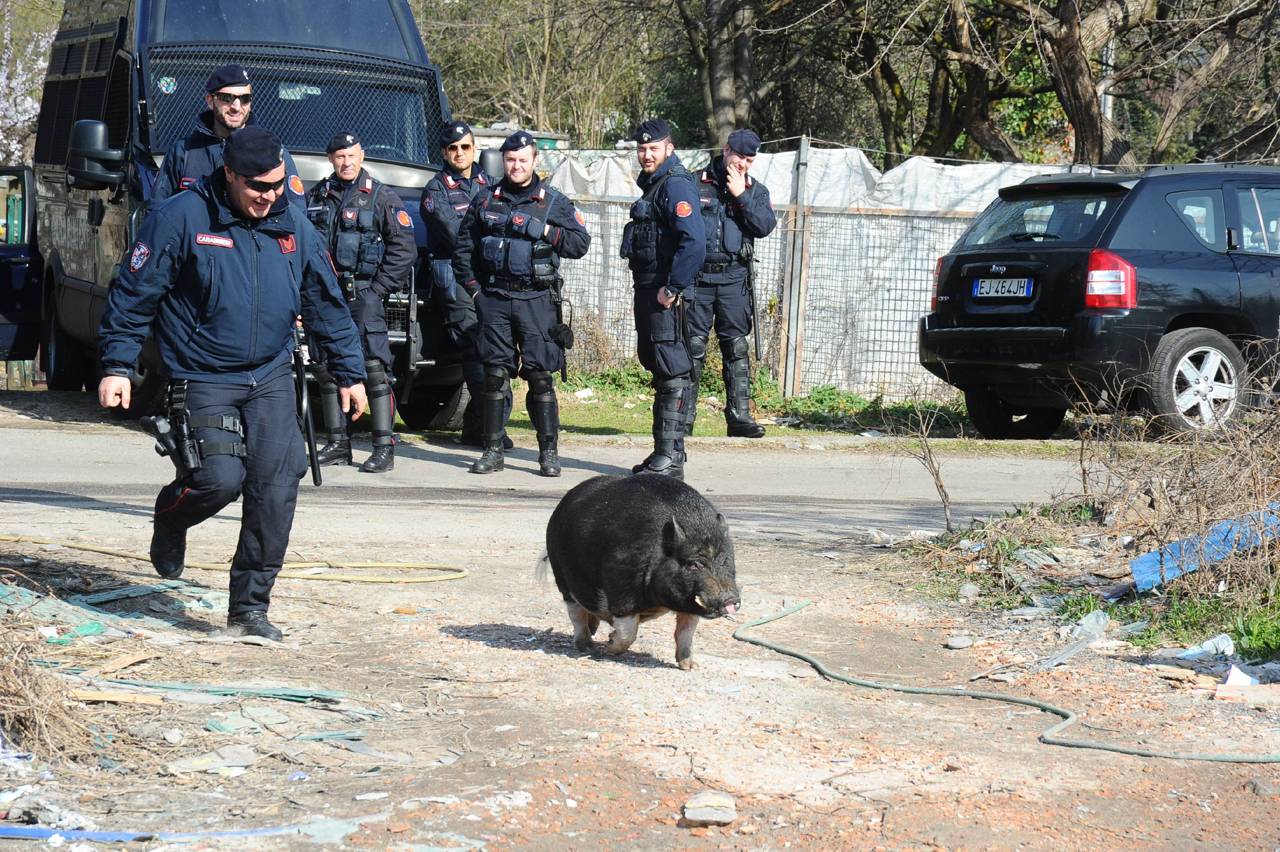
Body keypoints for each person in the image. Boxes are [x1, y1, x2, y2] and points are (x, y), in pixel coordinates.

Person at [97, 126, 367, 641]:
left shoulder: (292, 225)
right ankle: (172, 517)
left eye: (277, 184)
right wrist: (117, 364)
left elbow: (326, 302)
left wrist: (350, 374)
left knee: (275, 485)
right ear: (229, 174)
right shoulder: (181, 216)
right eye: (257, 187)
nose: (268, 196)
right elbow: (134, 293)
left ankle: (249, 609)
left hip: (269, 373)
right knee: (218, 479)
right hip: (201, 372)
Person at [452, 130, 590, 477]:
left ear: (534, 162)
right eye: (510, 160)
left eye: (522, 160)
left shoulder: (552, 201)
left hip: (537, 300)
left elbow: (579, 244)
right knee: (495, 376)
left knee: (540, 377)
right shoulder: (485, 200)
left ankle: (548, 453)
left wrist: (543, 231)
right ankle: (493, 449)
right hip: (495, 299)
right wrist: (474, 293)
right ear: (504, 161)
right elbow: (463, 251)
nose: (516, 166)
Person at [305, 131, 417, 473]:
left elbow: (404, 248)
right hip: (326, 296)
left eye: (352, 155)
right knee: (326, 367)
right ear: (330, 159)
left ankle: (385, 447)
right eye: (340, 156)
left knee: (374, 369)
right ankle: (339, 443)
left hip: (364, 295)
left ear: (362, 155)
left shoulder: (381, 197)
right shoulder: (316, 197)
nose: (346, 162)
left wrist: (377, 290)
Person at [419, 121, 512, 450]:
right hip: (457, 278)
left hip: (489, 276)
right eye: (453, 148)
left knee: (496, 349)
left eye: (466, 147)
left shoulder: (489, 184)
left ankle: (483, 427)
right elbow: (456, 234)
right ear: (444, 152)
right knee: (475, 350)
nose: (460, 153)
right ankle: (489, 428)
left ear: (475, 150)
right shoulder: (436, 191)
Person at [621, 119, 706, 480]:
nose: (646, 154)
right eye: (641, 149)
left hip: (665, 293)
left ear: (669, 149)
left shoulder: (674, 187)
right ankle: (667, 453)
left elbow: (694, 242)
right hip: (650, 289)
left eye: (653, 148)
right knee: (660, 366)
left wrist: (673, 287)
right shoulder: (654, 187)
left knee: (672, 370)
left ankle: (668, 457)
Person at [685, 128, 776, 438]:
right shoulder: (695, 183)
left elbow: (764, 226)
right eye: (739, 158)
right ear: (726, 151)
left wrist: (742, 195)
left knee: (736, 348)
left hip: (735, 278)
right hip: (698, 278)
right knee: (692, 346)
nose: (744, 165)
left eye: (750, 160)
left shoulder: (756, 190)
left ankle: (739, 417)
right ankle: (683, 419)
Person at [151, 63, 305, 210]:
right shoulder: (184, 151)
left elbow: (294, 216)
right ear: (210, 100)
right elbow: (159, 210)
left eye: (245, 99)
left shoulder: (273, 152)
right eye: (227, 98)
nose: (236, 107)